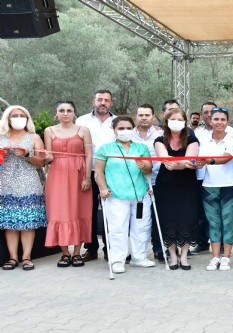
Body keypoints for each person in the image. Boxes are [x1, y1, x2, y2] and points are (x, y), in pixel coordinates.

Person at [95, 116, 154, 273]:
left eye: (128, 128)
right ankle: (117, 260)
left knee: (142, 227)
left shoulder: (141, 148)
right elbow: (99, 171)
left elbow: (149, 169)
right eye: (121, 128)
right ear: (114, 130)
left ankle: (139, 257)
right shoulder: (105, 149)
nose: (125, 131)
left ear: (133, 129)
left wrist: (144, 166)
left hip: (140, 195)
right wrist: (102, 188)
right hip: (116, 195)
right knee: (118, 228)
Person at [44, 100, 93, 267]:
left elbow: (88, 155)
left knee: (78, 210)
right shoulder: (49, 131)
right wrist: (41, 154)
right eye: (61, 110)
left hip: (79, 174)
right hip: (57, 175)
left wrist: (87, 177)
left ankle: (77, 253)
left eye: (69, 110)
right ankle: (65, 253)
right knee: (59, 211)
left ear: (74, 113)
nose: (65, 113)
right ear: (56, 113)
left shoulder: (83, 130)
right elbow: (50, 157)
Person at [0, 106, 47, 270]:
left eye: (22, 115)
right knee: (10, 223)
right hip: (5, 184)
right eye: (15, 115)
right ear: (7, 118)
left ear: (27, 119)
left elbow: (42, 162)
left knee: (28, 223)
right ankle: (13, 258)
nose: (18, 118)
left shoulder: (33, 137)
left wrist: (27, 155)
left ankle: (26, 258)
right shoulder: (1, 136)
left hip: (29, 183)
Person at [154, 109, 199, 270]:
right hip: (165, 186)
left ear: (185, 121)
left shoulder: (192, 139)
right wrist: (181, 163)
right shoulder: (159, 140)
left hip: (188, 186)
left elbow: (191, 161)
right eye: (173, 119)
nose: (177, 121)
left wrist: (177, 164)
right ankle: (173, 256)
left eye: (180, 119)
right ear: (166, 121)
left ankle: (185, 256)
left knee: (188, 218)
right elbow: (164, 159)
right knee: (168, 219)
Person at [195, 107, 233, 271]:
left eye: (223, 119)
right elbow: (196, 159)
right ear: (210, 121)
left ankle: (226, 258)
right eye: (216, 119)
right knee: (213, 222)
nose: (219, 122)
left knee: (227, 221)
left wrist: (209, 161)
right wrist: (197, 162)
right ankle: (215, 257)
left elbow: (227, 158)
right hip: (209, 186)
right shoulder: (203, 140)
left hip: (229, 186)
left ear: (227, 122)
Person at [77, 90, 115, 262]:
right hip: (87, 172)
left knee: (110, 211)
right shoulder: (82, 121)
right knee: (89, 211)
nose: (103, 103)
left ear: (111, 104)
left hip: (111, 172)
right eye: (100, 99)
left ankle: (110, 249)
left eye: (106, 100)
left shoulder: (117, 122)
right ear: (93, 101)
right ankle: (91, 249)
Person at [132, 104, 165, 261]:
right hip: (134, 183)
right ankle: (135, 251)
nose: (144, 118)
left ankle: (159, 249)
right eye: (141, 115)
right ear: (136, 117)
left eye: (147, 115)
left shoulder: (162, 135)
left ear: (153, 117)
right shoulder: (128, 135)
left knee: (158, 216)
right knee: (138, 218)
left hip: (157, 181)